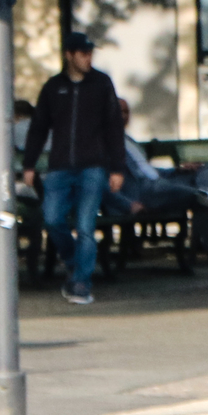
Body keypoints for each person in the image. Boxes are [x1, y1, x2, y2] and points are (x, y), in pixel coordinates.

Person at [19, 32, 127, 305]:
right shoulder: (53, 87)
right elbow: (39, 127)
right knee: (52, 218)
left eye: (90, 53)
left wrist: (117, 168)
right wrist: (29, 164)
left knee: (86, 225)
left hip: (93, 165)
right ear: (69, 54)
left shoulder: (102, 84)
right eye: (82, 53)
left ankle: (81, 281)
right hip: (60, 165)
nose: (88, 58)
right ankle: (74, 262)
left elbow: (114, 127)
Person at [109, 99, 208, 280]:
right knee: (197, 200)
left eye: (126, 112)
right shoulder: (103, 144)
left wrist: (178, 170)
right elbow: (104, 183)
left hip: (161, 184)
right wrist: (128, 205)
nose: (123, 116)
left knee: (207, 169)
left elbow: (151, 171)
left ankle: (204, 193)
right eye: (119, 112)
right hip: (143, 193)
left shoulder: (128, 140)